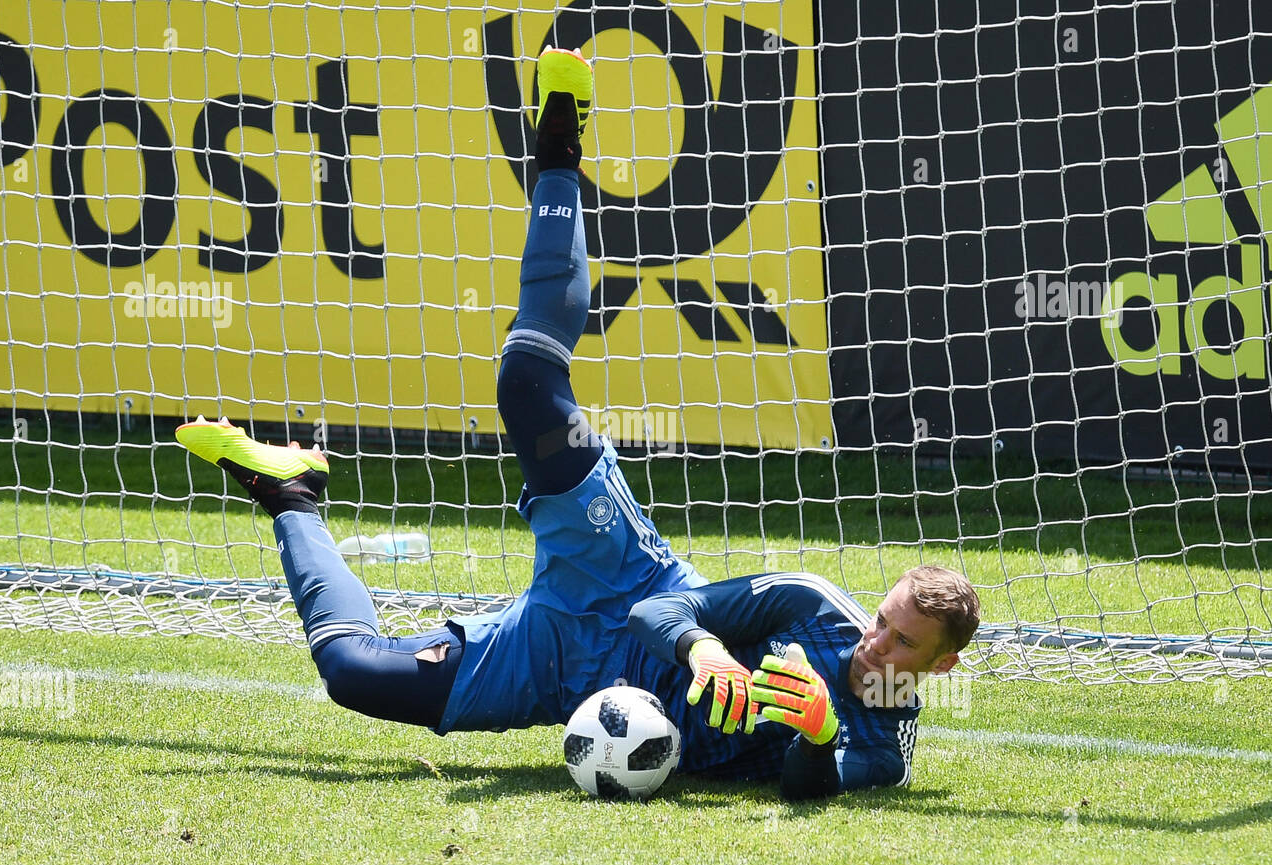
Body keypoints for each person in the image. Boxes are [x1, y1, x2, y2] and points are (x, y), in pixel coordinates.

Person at [176, 47, 981, 799]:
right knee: (527, 385)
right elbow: (661, 612)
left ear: (939, 669)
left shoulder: (886, 734)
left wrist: (819, 728)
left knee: (352, 673)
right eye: (885, 621)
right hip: (618, 573)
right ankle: (559, 150)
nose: (877, 645)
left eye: (904, 645)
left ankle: (294, 496)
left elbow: (821, 783)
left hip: (558, 668)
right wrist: (703, 650)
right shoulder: (808, 605)